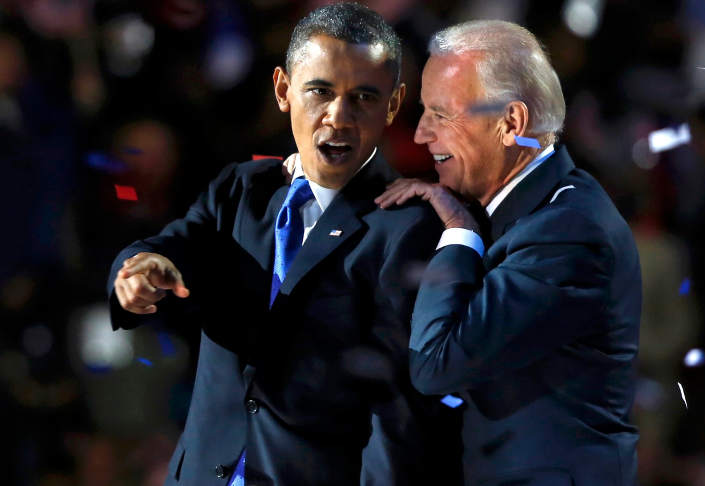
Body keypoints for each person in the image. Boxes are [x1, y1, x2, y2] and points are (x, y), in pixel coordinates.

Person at [108, 4, 461, 485]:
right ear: (283, 90)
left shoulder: (408, 228)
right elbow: (168, 248)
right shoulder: (240, 191)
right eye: (320, 91)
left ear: (394, 105)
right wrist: (139, 270)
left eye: (363, 97)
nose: (338, 117)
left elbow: (397, 408)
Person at [376, 20, 641, 485]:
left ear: (511, 124)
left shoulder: (566, 230)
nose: (420, 134)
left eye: (442, 114)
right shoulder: (533, 207)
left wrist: (458, 231)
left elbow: (435, 362)